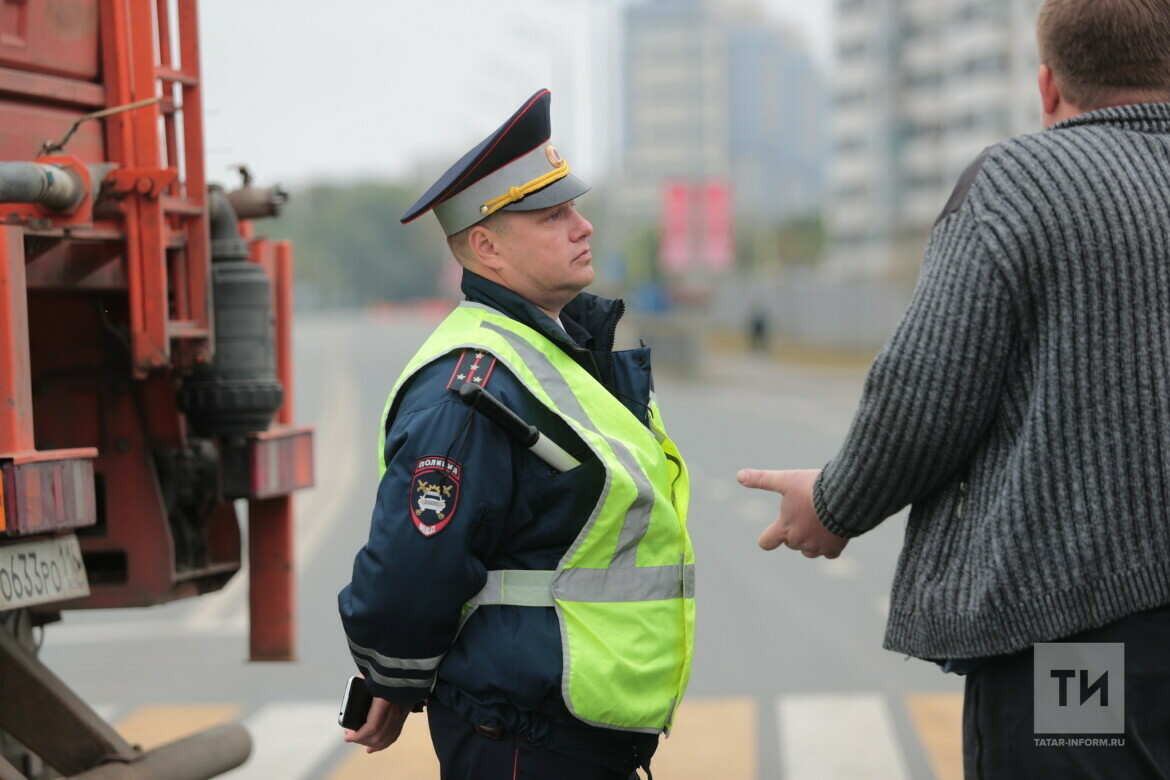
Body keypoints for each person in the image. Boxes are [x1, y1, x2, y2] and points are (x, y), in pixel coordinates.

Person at [737, 0, 1170, 777]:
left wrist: (835, 504)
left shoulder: (1025, 183)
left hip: (1078, 640)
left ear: (1047, 87)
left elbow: (925, 393)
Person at [338, 89, 695, 780]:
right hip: (523, 735)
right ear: (486, 247)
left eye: (576, 208)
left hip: (572, 732)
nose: (583, 227)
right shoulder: (471, 382)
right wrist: (392, 676)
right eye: (553, 215)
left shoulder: (561, 349)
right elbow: (414, 567)